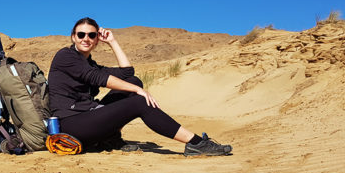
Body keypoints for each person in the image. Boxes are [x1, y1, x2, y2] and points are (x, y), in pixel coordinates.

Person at [47, 17, 232, 156]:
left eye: (91, 35)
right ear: (73, 37)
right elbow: (95, 78)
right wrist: (138, 91)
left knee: (134, 82)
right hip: (70, 125)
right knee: (138, 100)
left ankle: (110, 139)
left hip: (87, 118)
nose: (85, 38)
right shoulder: (65, 56)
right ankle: (196, 143)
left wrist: (112, 42)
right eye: (81, 35)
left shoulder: (90, 63)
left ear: (97, 39)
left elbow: (128, 73)